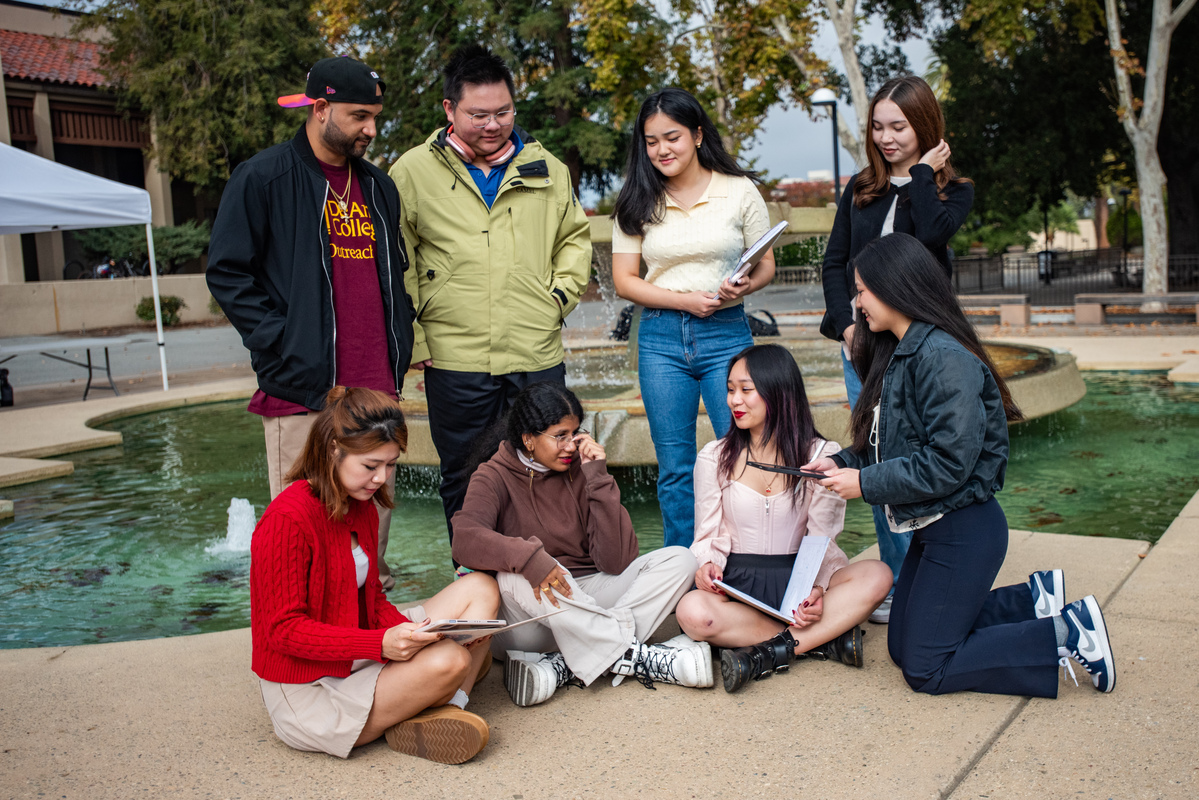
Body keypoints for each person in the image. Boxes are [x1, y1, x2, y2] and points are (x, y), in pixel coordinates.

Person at [806, 233, 1117, 697]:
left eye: (863, 291)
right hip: (934, 528)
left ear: (895, 287)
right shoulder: (899, 352)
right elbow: (885, 444)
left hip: (964, 529)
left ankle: (1069, 631)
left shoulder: (943, 358)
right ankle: (1031, 601)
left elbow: (948, 463)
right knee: (902, 647)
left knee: (925, 669)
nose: (857, 303)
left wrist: (865, 483)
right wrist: (838, 462)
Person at [207, 57, 415, 591]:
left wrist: (403, 340)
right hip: (303, 390)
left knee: (371, 552)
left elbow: (393, 276)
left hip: (376, 392)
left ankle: (369, 634)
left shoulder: (379, 187)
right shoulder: (263, 178)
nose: (371, 129)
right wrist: (281, 342)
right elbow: (227, 273)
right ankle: (301, 639)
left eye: (375, 117)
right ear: (320, 108)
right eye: (359, 116)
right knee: (301, 544)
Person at [389, 45, 591, 561]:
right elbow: (396, 259)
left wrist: (556, 300)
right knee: (465, 473)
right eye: (479, 115)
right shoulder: (411, 171)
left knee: (551, 469)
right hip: (455, 357)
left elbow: (574, 240)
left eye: (503, 112)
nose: (493, 124)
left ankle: (551, 577)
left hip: (535, 351)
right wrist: (418, 337)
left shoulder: (547, 167)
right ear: (449, 109)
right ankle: (474, 582)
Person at [250, 387, 502, 763]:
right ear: (333, 449)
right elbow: (283, 631)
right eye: (370, 466)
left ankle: (450, 704)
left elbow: (374, 598)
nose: (381, 478)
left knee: (480, 587)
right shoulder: (287, 519)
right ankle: (434, 693)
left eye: (390, 465)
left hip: (358, 648)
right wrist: (380, 644)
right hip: (308, 685)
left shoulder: (362, 505)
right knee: (453, 660)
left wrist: (409, 632)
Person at [819, 75, 975, 624]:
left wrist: (922, 175)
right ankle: (899, 578)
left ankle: (933, 579)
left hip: (918, 347)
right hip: (862, 346)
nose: (886, 138)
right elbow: (835, 261)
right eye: (878, 127)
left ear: (925, 127)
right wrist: (846, 327)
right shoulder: (861, 187)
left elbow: (931, 237)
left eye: (899, 127)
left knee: (918, 458)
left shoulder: (951, 191)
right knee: (878, 458)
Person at [450, 382, 712, 707]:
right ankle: (634, 656)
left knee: (682, 559)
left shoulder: (583, 471)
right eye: (560, 435)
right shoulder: (493, 476)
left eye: (575, 433)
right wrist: (530, 560)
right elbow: (465, 539)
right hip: (527, 622)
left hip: (584, 596)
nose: (571, 446)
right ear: (528, 439)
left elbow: (617, 562)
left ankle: (564, 664)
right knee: (513, 575)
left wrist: (598, 477)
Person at [611, 88, 776, 549]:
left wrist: (744, 286)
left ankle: (747, 558)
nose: (662, 150)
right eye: (651, 141)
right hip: (660, 339)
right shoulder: (637, 198)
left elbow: (765, 265)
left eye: (673, 137)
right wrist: (683, 301)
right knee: (675, 468)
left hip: (727, 335)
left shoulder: (738, 190)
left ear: (698, 135)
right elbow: (624, 280)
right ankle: (681, 568)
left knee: (743, 452)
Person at [674, 344, 892, 693]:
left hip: (799, 580)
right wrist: (707, 566)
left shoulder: (821, 455)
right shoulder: (714, 457)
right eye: (730, 389)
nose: (734, 400)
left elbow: (822, 537)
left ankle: (769, 650)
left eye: (746, 390)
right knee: (692, 612)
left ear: (778, 391)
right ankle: (823, 641)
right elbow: (706, 535)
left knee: (878, 575)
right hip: (738, 586)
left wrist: (817, 590)